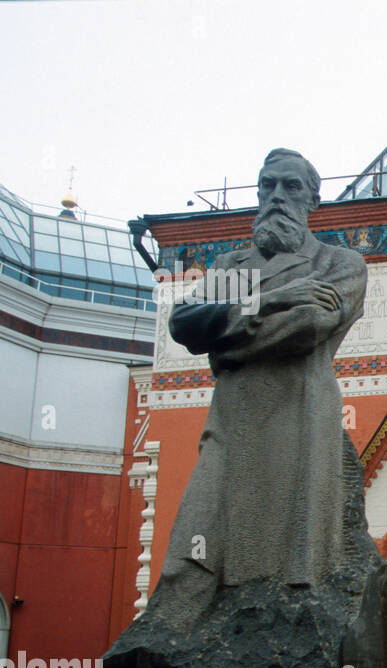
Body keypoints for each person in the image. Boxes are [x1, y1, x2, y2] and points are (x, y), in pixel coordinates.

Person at [155, 148, 368, 624]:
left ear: (312, 198)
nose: (276, 196)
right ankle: (172, 632)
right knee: (195, 536)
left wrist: (224, 348)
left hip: (297, 421)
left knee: (286, 559)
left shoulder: (340, 263)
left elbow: (309, 327)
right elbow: (184, 323)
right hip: (233, 423)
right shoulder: (232, 264)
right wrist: (272, 298)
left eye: (290, 186)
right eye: (267, 185)